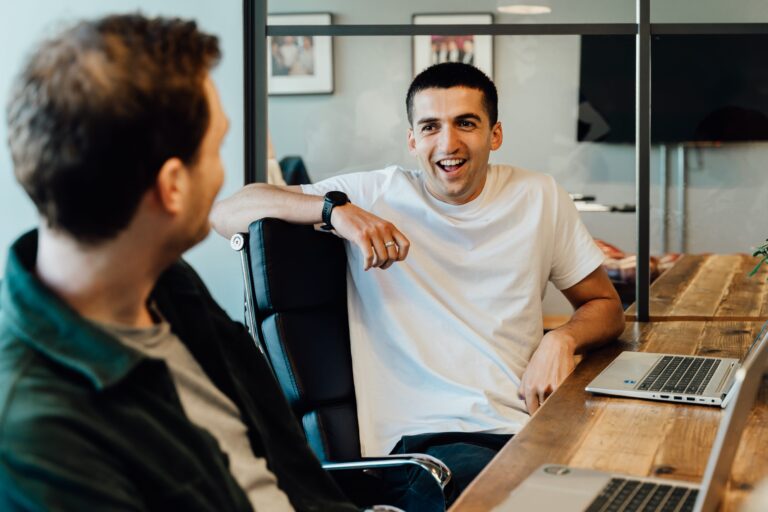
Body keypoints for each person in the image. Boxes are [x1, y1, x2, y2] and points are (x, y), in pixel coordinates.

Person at [211, 62, 625, 505]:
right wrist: (336, 212)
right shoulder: (374, 194)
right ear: (412, 140)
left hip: (531, 428)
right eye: (430, 127)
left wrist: (560, 340)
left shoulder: (540, 195)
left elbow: (605, 305)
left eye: (466, 123)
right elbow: (227, 212)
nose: (448, 143)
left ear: (495, 134)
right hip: (427, 448)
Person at [0, 14, 359, 512]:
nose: (222, 175)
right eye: (216, 150)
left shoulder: (168, 286)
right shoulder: (37, 432)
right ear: (173, 186)